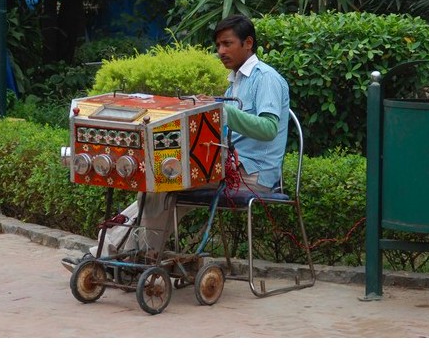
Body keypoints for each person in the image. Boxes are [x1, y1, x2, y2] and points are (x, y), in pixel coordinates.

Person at [62, 14, 289, 271]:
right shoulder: (235, 81)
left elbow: (269, 129)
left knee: (163, 183)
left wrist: (222, 111)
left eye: (227, 44)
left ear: (248, 43)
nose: (220, 51)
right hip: (229, 166)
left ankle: (120, 256)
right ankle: (118, 255)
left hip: (254, 174)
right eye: (218, 46)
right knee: (156, 181)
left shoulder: (266, 78)